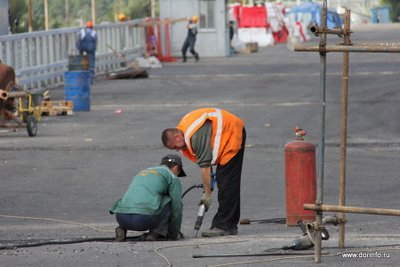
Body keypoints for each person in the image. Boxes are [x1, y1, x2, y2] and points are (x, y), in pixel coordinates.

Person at [161, 108, 246, 237]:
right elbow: (205, 157)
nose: (178, 150)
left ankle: (224, 225)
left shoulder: (195, 136)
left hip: (232, 133)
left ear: (178, 136)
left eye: (176, 147)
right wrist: (210, 180)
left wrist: (207, 194)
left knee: (226, 182)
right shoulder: (183, 131)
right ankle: (229, 224)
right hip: (224, 132)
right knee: (224, 180)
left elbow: (205, 166)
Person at [109, 154, 186, 242]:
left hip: (121, 218)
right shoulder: (171, 176)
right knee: (169, 201)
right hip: (144, 219)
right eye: (178, 173)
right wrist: (174, 234)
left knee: (134, 201)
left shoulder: (143, 172)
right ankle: (155, 233)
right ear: (176, 168)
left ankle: (121, 229)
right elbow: (177, 206)